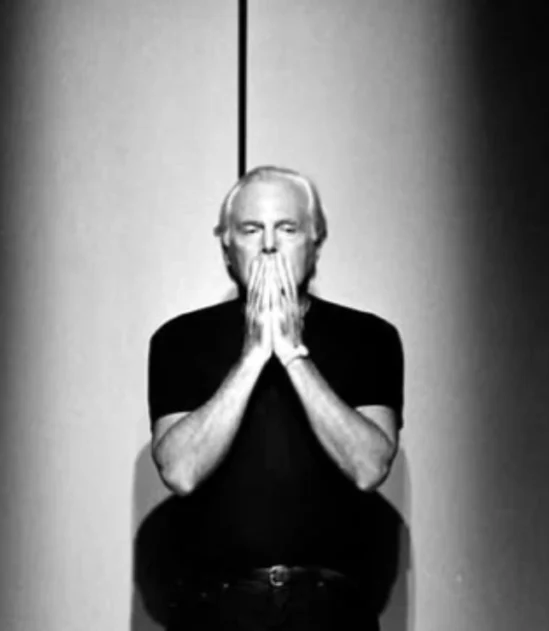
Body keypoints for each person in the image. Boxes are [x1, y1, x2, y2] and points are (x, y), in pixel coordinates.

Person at [146, 165, 405, 631]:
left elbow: (369, 467)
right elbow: (180, 471)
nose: (269, 244)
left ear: (315, 243)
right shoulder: (179, 341)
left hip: (331, 610)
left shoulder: (369, 338)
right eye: (251, 229)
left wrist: (291, 353)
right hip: (215, 610)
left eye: (286, 228)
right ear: (227, 249)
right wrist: (251, 358)